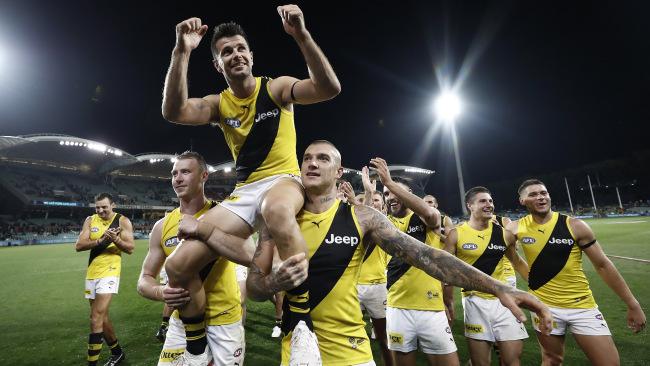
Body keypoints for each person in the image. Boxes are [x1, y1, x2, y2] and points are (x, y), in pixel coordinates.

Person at [197, 140, 553, 366]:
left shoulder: (364, 217)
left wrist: (499, 287)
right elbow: (256, 288)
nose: (312, 163)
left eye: (323, 158)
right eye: (306, 157)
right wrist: (274, 281)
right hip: (300, 347)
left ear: (338, 173)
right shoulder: (277, 217)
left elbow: (429, 258)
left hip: (352, 347)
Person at [161, 4, 340, 364]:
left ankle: (301, 321)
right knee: (177, 267)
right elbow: (174, 112)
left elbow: (328, 88)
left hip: (283, 182)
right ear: (217, 64)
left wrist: (301, 35)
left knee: (274, 208)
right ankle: (196, 345)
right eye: (227, 51)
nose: (236, 54)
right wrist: (181, 51)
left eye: (241, 48)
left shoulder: (275, 89)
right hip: (244, 192)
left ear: (251, 55)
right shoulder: (218, 104)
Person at [505, 179, 646, 366]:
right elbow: (511, 258)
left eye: (543, 193)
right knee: (552, 360)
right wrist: (532, 280)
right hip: (543, 307)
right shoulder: (514, 228)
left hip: (582, 306)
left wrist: (632, 303)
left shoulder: (575, 225)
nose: (540, 197)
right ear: (522, 200)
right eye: (533, 194)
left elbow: (603, 265)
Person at [136, 151, 247, 366]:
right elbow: (144, 279)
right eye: (174, 173)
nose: (177, 178)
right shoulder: (162, 226)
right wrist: (161, 292)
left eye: (185, 172)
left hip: (223, 322)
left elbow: (249, 254)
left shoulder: (224, 215)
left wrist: (205, 231)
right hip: (181, 323)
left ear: (204, 176)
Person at [371, 157, 460, 366]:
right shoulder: (384, 223)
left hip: (431, 307)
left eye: (395, 194)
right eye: (386, 195)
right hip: (397, 307)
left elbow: (430, 213)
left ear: (409, 196)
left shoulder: (422, 219)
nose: (390, 197)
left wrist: (390, 183)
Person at [444, 187, 529, 366]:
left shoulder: (505, 235)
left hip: (504, 302)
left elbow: (518, 263)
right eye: (483, 201)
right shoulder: (456, 234)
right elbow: (445, 272)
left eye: (490, 201)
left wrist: (539, 286)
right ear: (470, 206)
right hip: (474, 303)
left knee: (512, 361)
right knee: (480, 363)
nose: (489, 204)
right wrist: (445, 302)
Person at [75, 193, 135, 366]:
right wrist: (101, 240)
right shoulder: (90, 220)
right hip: (92, 272)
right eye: (98, 207)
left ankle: (91, 363)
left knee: (95, 317)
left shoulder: (122, 221)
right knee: (102, 317)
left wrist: (115, 239)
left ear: (112, 205)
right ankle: (117, 353)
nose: (100, 210)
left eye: (104, 207)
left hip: (110, 271)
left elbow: (130, 248)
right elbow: (79, 245)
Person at [356, 166, 393, 366]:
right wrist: (367, 194)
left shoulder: (387, 223)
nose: (371, 204)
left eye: (377, 200)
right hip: (353, 286)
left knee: (383, 338)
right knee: (351, 333)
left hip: (378, 286)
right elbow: (363, 216)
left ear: (383, 205)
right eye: (369, 201)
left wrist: (370, 193)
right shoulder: (354, 222)